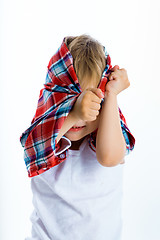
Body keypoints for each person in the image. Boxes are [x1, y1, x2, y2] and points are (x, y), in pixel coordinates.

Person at [21, 34, 135, 240]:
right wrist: (72, 113)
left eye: (89, 101)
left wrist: (111, 94)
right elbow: (32, 149)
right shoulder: (45, 134)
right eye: (70, 99)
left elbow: (109, 158)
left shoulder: (108, 133)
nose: (83, 109)